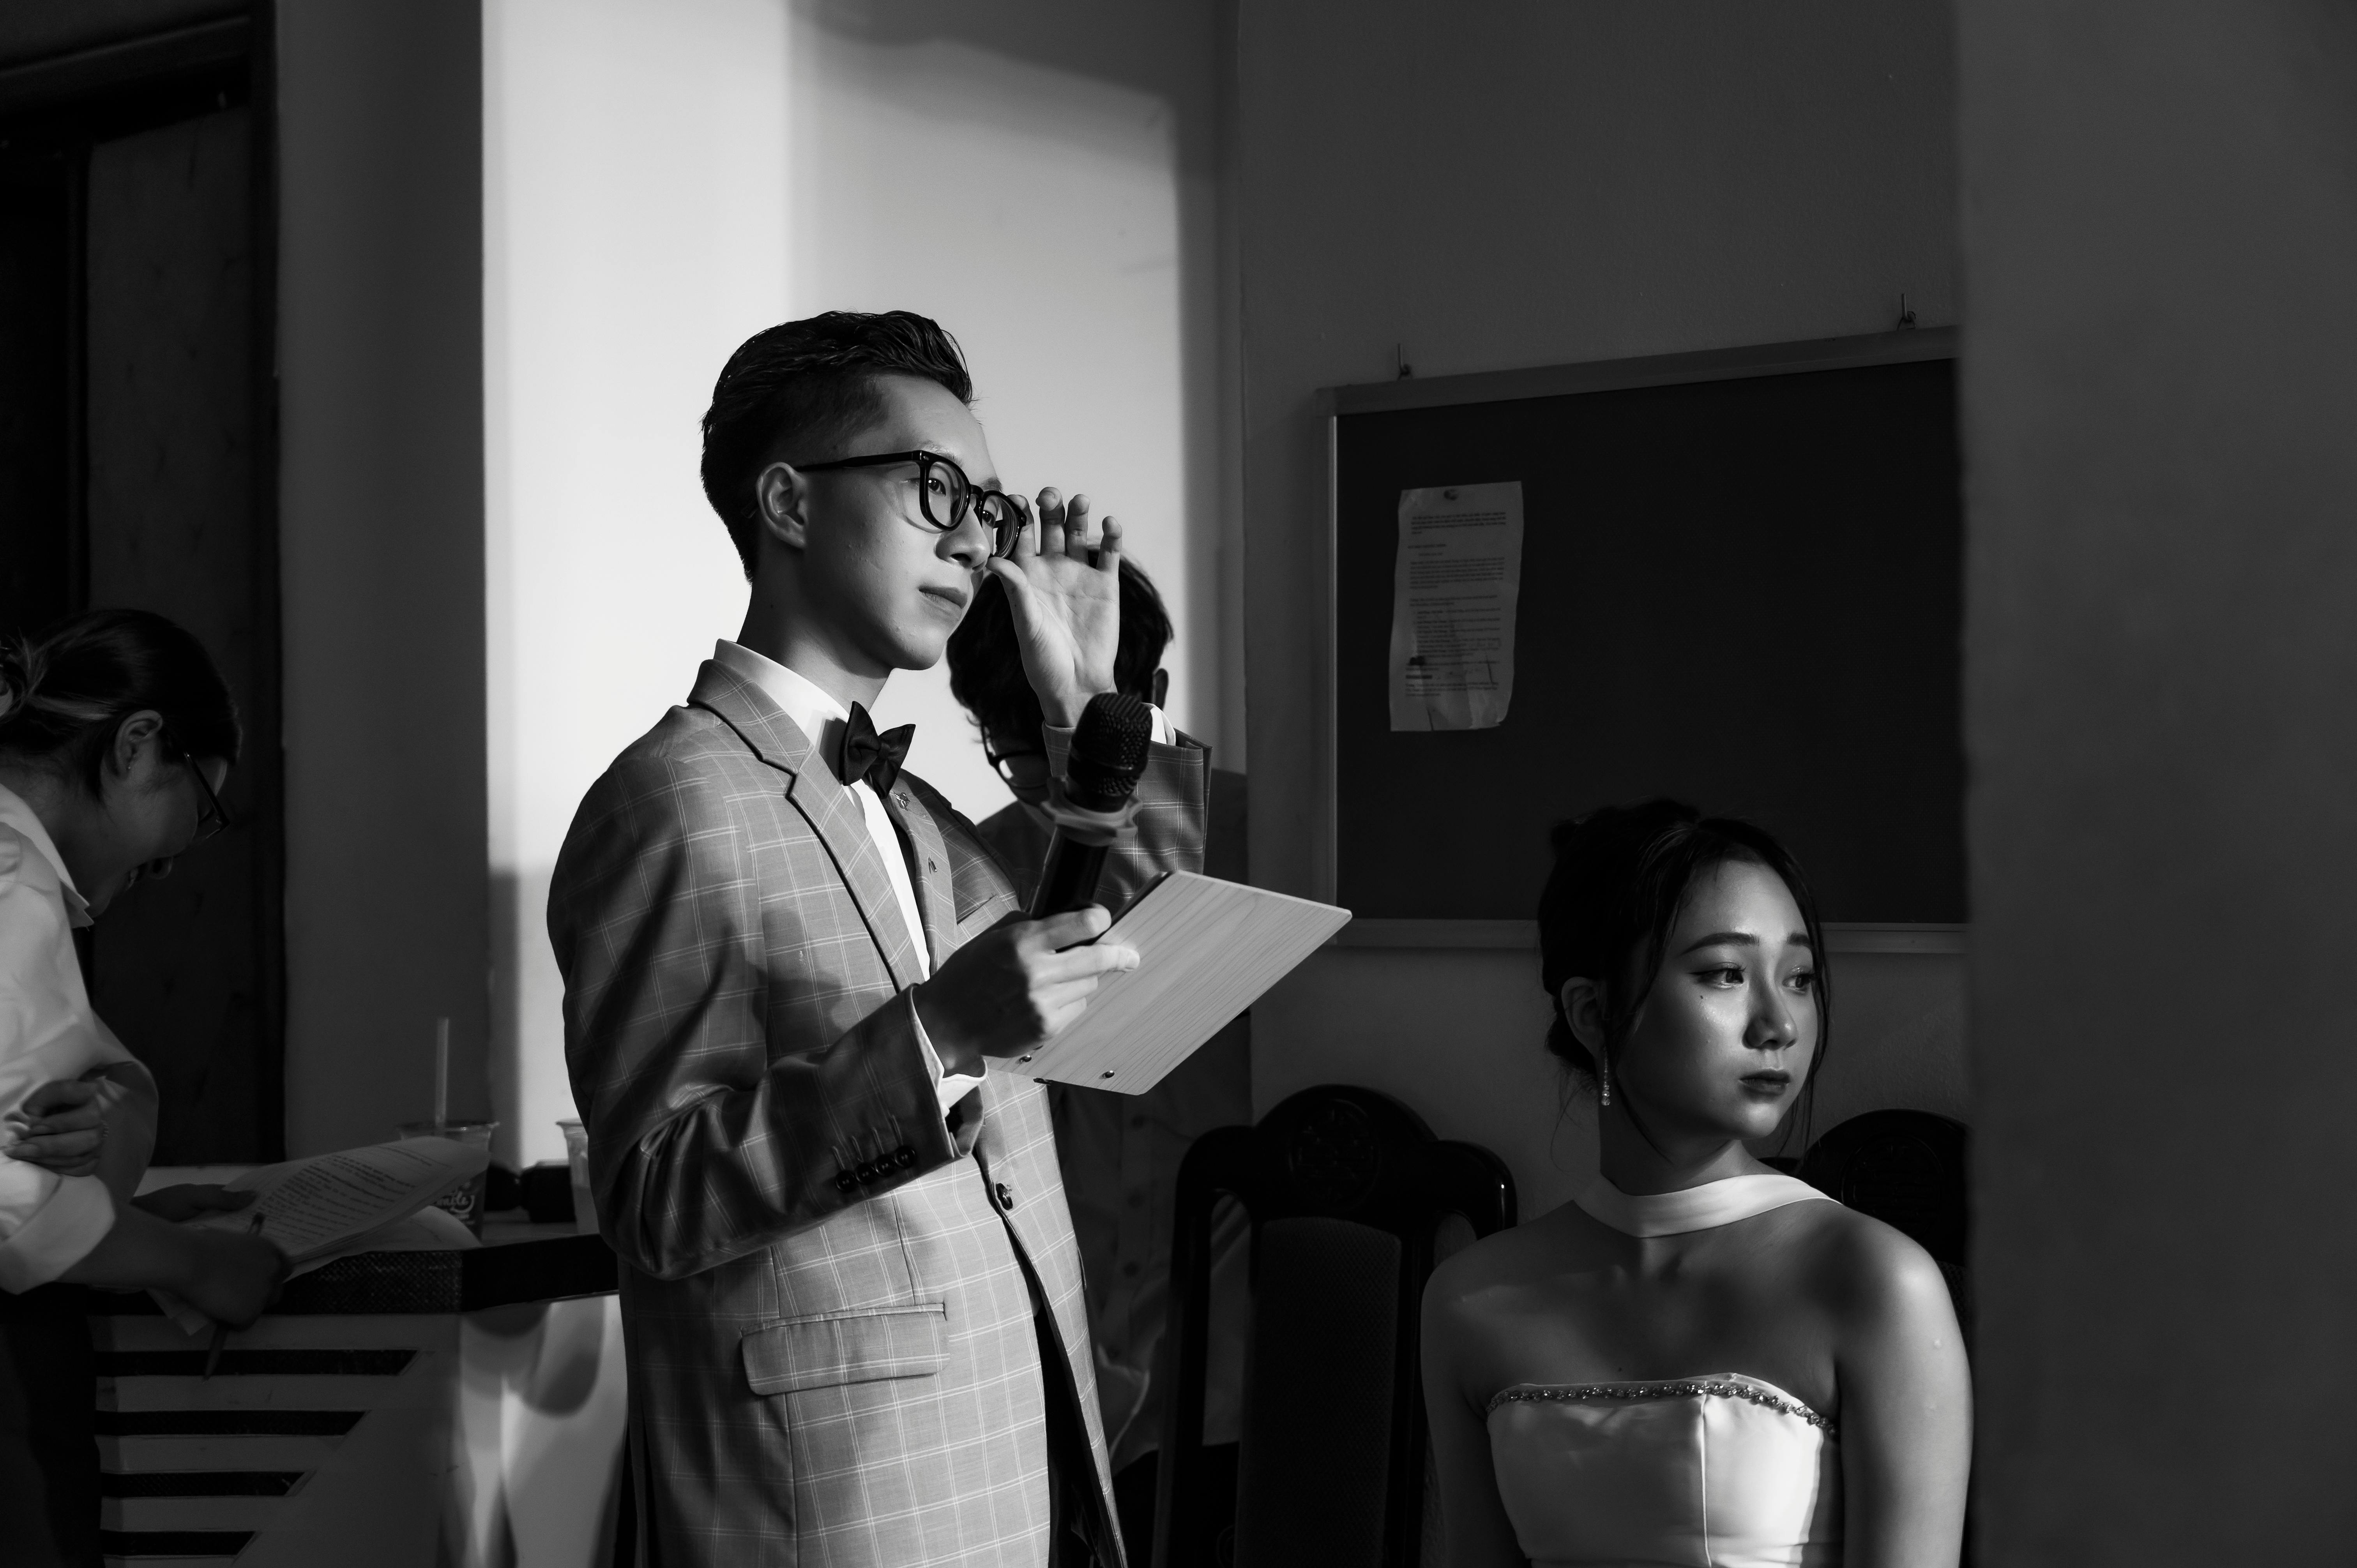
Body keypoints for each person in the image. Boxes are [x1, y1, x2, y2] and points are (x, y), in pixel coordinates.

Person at [551, 311, 1208, 1568]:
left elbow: (1138, 974)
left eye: (986, 502)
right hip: (838, 1498)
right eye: (932, 487)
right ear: (788, 502)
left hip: (1019, 1428)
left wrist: (1082, 702)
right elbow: (652, 1200)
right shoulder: (672, 797)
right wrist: (943, 1033)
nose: (971, 534)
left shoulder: (911, 807)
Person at [1421, 802, 1970, 1567]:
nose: (1779, 1022)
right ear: (1593, 1012)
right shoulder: (1468, 1299)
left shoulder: (1876, 1279)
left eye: (1801, 976)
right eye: (1725, 973)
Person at [947, 560, 1251, 1557]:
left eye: (1060, 746)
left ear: (1151, 700)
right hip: (1043, 1386)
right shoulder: (966, 864)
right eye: (1018, 758)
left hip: (1239, 1376)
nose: (1048, 796)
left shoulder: (1271, 831)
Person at [0, 609, 290, 1566]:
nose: (173, 860)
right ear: (137, 744)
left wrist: (125, 1196)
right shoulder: (12, 890)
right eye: (199, 811)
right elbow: (24, 1217)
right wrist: (198, 1265)